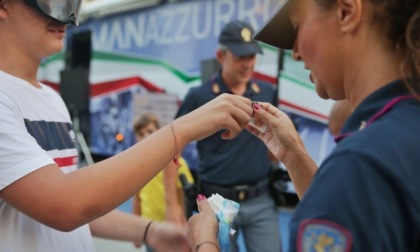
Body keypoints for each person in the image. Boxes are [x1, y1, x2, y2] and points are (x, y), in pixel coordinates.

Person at [0, 1, 254, 251]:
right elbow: (62, 205)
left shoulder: (52, 99)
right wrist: (183, 129)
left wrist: (149, 230)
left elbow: (79, 206)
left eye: (72, 4)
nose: (68, 18)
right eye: (53, 3)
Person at [187, 0, 420, 251]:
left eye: (297, 26)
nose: (295, 52)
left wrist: (205, 242)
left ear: (346, 12)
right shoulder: (396, 137)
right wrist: (294, 157)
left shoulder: (361, 165)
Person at [176, 20, 281, 251]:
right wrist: (177, 197)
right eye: (240, 57)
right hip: (217, 202)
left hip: (261, 200)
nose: (248, 64)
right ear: (220, 56)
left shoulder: (267, 92)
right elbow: (174, 144)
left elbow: (274, 142)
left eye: (252, 56)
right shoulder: (199, 96)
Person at [131, 113, 194, 251]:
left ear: (158, 133)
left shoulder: (178, 164)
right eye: (141, 134)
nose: (146, 136)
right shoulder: (137, 168)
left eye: (150, 131)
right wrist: (135, 232)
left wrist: (183, 222)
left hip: (172, 226)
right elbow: (137, 200)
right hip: (149, 227)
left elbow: (183, 196)